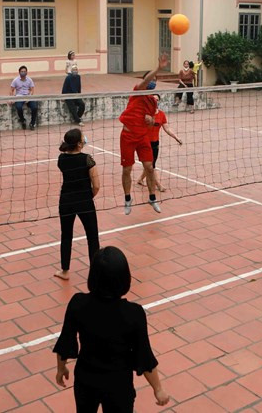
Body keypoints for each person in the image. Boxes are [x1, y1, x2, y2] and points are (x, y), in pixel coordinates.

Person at [53, 246, 170, 412]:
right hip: (118, 384)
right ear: (124, 278)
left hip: (86, 379)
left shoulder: (78, 303)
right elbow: (143, 355)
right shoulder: (134, 313)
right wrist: (158, 389)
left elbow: (66, 341)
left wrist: (61, 368)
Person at [118, 53, 168, 215]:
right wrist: (158, 68)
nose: (153, 82)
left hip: (143, 137)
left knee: (149, 167)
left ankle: (152, 197)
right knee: (127, 169)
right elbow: (146, 81)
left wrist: (150, 120)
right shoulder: (138, 91)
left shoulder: (153, 101)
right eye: (152, 79)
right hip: (128, 136)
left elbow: (153, 121)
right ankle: (127, 199)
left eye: (156, 80)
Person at [55, 129, 100, 281]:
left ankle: (65, 271)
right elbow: (96, 185)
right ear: (80, 144)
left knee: (66, 235)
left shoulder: (61, 159)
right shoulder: (87, 159)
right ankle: (96, 272)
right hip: (84, 201)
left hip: (66, 201)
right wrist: (87, 196)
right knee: (92, 236)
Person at [137, 100, 182, 192]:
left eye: (157, 100)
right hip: (144, 143)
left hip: (155, 143)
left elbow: (167, 128)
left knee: (150, 164)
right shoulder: (144, 115)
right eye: (153, 100)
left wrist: (176, 137)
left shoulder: (161, 114)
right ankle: (158, 184)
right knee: (151, 166)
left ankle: (140, 179)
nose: (155, 102)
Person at [10, 65, 39, 130]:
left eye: (24, 71)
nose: (23, 72)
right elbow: (11, 90)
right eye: (22, 71)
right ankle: (23, 120)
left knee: (34, 107)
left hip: (28, 96)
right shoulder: (15, 80)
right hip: (19, 97)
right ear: (19, 72)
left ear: (26, 72)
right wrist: (11, 99)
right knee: (18, 107)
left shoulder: (29, 80)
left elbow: (32, 90)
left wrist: (29, 97)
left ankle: (32, 123)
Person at [62, 52, 86, 125]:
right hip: (68, 95)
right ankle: (78, 121)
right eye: (74, 70)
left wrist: (79, 94)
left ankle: (77, 117)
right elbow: (64, 87)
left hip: (75, 95)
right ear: (71, 71)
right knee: (72, 107)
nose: (75, 71)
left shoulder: (78, 77)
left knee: (82, 104)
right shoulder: (68, 78)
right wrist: (63, 97)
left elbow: (79, 86)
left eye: (76, 70)